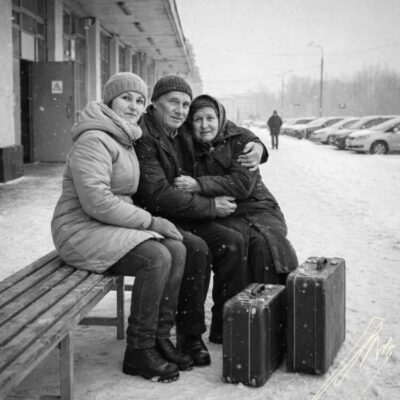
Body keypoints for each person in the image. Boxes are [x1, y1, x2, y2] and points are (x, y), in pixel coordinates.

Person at [51, 72, 192, 383]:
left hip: (104, 227)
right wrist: (151, 221)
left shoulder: (123, 137)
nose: (133, 105)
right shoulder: (94, 139)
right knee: (156, 257)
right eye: (126, 98)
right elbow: (97, 201)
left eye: (139, 100)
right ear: (110, 101)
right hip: (78, 231)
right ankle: (139, 350)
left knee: (177, 248)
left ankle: (159, 337)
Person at [134, 75, 267, 349]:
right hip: (156, 217)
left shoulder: (180, 130)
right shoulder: (146, 136)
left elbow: (227, 130)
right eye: (173, 102)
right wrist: (211, 207)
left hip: (182, 212)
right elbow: (157, 195)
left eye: (185, 104)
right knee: (197, 249)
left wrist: (257, 145)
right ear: (155, 103)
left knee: (233, 242)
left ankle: (225, 323)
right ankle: (190, 334)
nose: (180, 110)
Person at [175, 95, 298, 292]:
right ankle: (235, 304)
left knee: (267, 245)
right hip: (224, 211)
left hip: (259, 206)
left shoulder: (241, 139)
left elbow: (241, 184)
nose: (204, 125)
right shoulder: (185, 143)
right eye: (198, 119)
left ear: (220, 118)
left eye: (210, 118)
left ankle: (271, 301)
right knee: (237, 245)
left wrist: (199, 185)